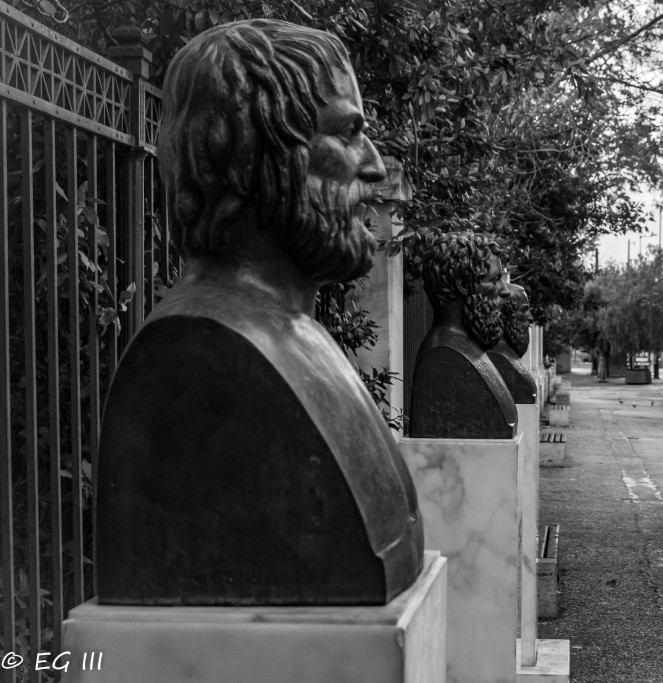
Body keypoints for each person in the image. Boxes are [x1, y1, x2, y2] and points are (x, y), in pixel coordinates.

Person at [95, 19, 423, 606]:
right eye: (346, 134)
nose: (373, 166)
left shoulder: (301, 339)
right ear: (249, 154)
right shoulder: (197, 357)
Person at [409, 231, 518, 438]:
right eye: (495, 279)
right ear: (463, 284)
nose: (504, 290)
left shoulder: (470, 352)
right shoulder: (443, 358)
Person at [487, 282, 537, 404]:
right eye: (524, 310)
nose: (530, 317)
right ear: (503, 315)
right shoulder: (496, 358)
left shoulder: (510, 358)